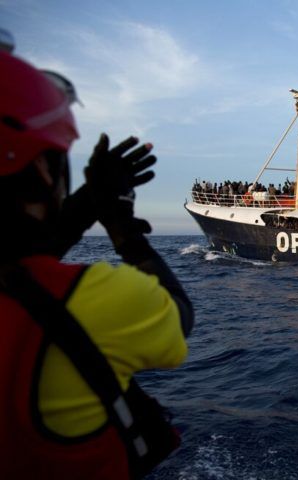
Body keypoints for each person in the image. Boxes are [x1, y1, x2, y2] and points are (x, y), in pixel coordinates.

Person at [0, 50, 193, 478]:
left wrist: (86, 202)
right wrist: (119, 221)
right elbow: (178, 317)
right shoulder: (87, 301)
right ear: (45, 173)